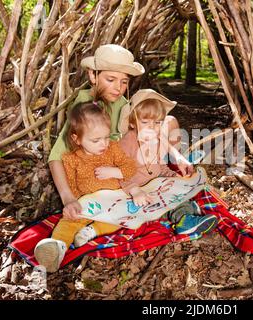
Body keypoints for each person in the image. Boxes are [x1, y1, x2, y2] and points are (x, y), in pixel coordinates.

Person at [47, 44, 191, 223]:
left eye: (124, 81)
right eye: (110, 79)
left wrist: (176, 155)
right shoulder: (84, 108)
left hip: (132, 157)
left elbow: (144, 129)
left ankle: (169, 166)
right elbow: (56, 156)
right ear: (93, 75)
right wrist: (68, 198)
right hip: (111, 169)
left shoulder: (122, 102)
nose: (118, 88)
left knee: (169, 121)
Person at [73, 89, 218, 247]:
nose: (152, 127)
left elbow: (159, 165)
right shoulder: (127, 143)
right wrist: (134, 190)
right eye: (145, 122)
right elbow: (119, 172)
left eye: (157, 123)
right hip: (134, 190)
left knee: (177, 188)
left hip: (155, 185)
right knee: (135, 209)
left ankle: (185, 211)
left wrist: (169, 175)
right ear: (132, 122)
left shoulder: (156, 139)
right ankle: (184, 219)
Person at [35, 97, 138, 273]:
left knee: (124, 217)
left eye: (106, 137)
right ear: (77, 139)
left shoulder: (112, 149)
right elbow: (71, 185)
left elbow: (130, 167)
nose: (103, 144)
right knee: (69, 221)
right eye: (96, 140)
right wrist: (72, 202)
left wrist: (115, 172)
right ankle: (57, 248)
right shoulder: (71, 159)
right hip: (87, 202)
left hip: (113, 202)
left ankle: (93, 230)